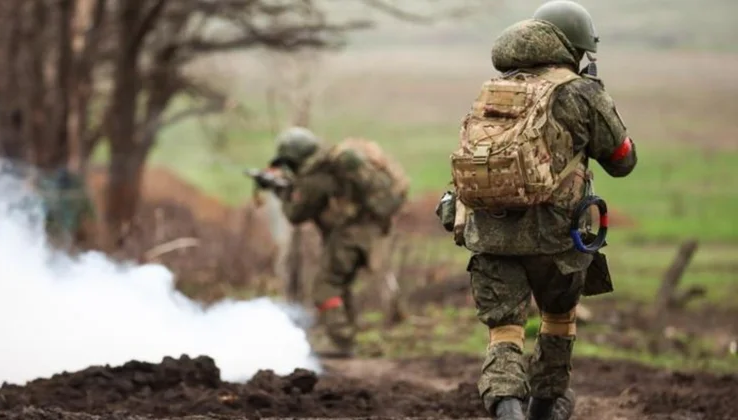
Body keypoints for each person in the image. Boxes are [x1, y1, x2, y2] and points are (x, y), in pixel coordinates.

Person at [436, 1, 637, 419]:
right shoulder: (581, 92)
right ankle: (547, 406)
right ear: (576, 48)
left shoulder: (495, 89)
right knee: (558, 320)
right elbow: (622, 161)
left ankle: (507, 407)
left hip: (490, 232)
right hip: (558, 239)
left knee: (504, 330)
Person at [262, 126, 408, 358]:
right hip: (368, 229)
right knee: (340, 283)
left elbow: (296, 214)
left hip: (352, 233)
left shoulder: (316, 177)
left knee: (325, 287)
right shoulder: (330, 165)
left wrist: (282, 192)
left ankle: (341, 342)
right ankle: (346, 338)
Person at [37, 167, 98, 253]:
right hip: (57, 226)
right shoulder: (50, 190)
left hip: (66, 227)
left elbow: (90, 213)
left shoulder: (77, 191)